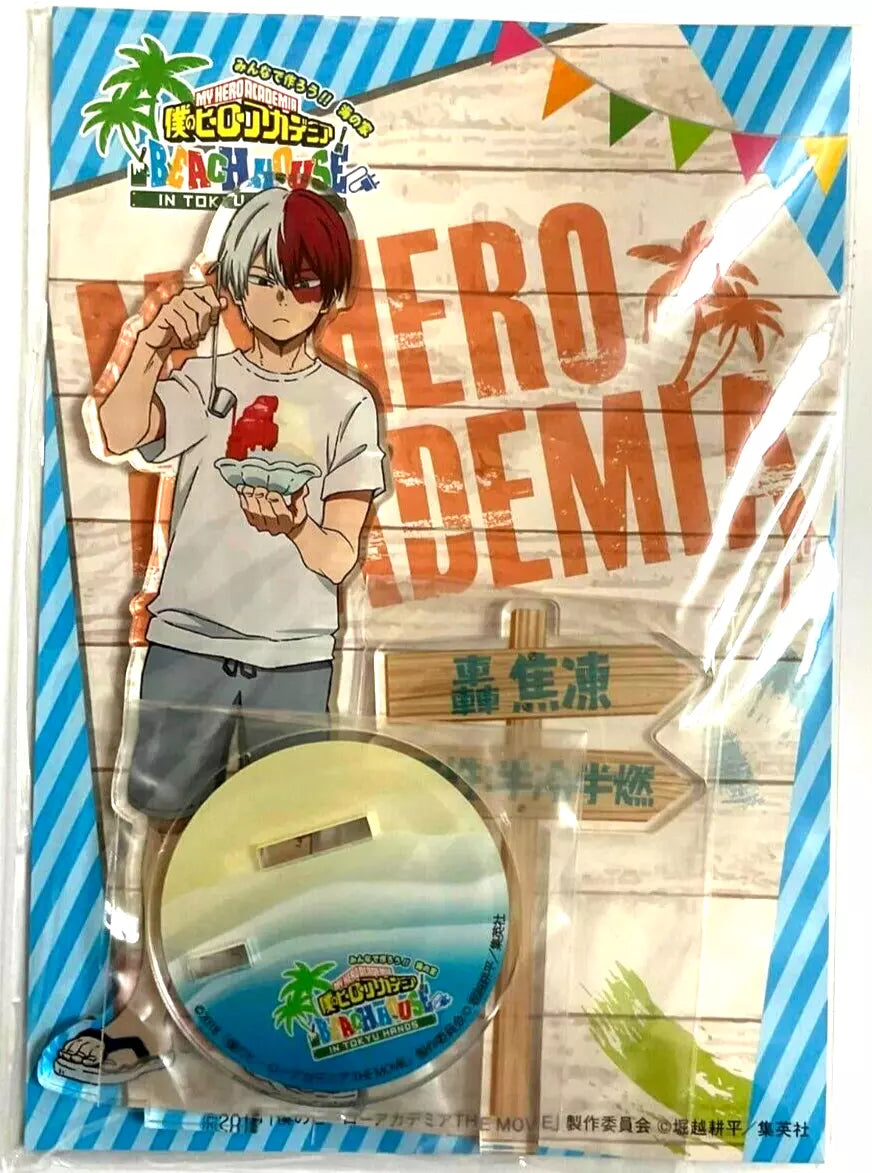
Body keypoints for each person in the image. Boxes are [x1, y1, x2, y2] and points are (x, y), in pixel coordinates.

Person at [48, 186, 387, 1090]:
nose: (282, 298)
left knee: (293, 839)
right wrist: (152, 342)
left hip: (296, 652)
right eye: (265, 278)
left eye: (303, 282)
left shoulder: (347, 405)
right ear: (234, 282)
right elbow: (119, 429)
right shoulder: (205, 380)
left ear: (329, 292)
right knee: (164, 829)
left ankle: (285, 1017)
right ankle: (143, 1014)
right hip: (188, 640)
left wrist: (293, 525)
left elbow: (339, 553)